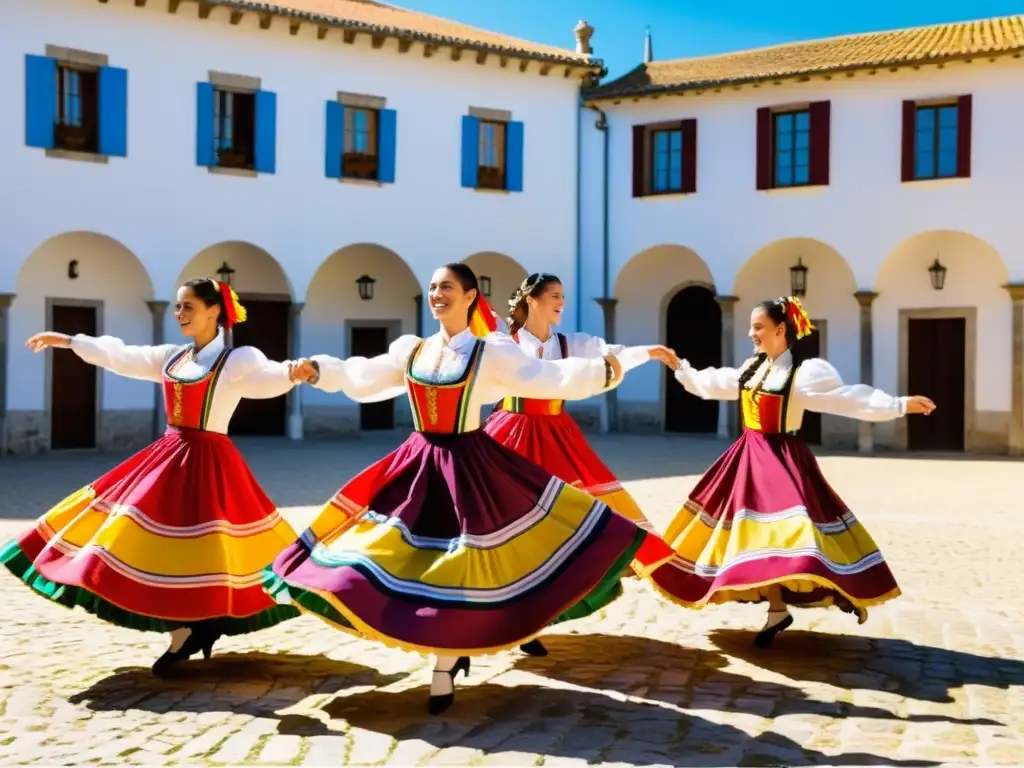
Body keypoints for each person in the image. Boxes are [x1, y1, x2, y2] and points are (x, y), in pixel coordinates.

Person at [268, 263, 670, 715]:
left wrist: (604, 371)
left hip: (468, 468)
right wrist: (321, 370)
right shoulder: (413, 351)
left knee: (459, 565)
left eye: (447, 287)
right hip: (416, 466)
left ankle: (444, 664)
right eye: (434, 287)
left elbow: (547, 379)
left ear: (470, 296)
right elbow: (367, 377)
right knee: (385, 555)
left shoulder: (490, 353)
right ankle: (435, 646)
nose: (438, 294)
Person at [1, 278, 302, 675]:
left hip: (210, 461)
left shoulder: (236, 360)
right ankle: (189, 628)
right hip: (169, 454)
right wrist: (71, 341)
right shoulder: (172, 357)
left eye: (188, 307)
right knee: (149, 540)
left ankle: (198, 626)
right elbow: (124, 355)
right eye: (178, 307)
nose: (179, 314)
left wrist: (295, 372)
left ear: (214, 311)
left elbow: (266, 379)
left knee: (208, 547)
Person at [650, 296, 936, 647]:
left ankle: (842, 589)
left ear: (780, 329)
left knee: (798, 535)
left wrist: (898, 404)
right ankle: (776, 608)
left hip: (782, 460)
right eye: (752, 326)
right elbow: (717, 383)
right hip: (748, 459)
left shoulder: (800, 376)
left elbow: (847, 399)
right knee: (756, 537)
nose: (752, 333)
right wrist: (681, 367)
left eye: (758, 326)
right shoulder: (753, 368)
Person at [483, 272, 678, 657]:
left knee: (564, 521)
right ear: (532, 299)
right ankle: (500, 613)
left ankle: (534, 618)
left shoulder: (570, 343)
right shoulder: (506, 342)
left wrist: (648, 353)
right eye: (554, 296)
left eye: (561, 296)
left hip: (555, 433)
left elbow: (610, 353)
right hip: (511, 430)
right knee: (504, 521)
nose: (560, 303)